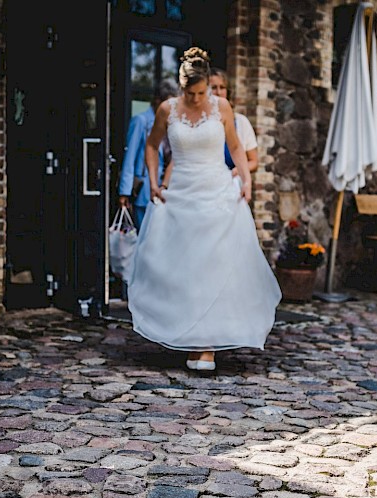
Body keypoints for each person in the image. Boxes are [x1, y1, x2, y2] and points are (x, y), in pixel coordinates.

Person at [127, 47, 281, 372]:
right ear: (180, 86)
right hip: (180, 192)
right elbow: (152, 146)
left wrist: (247, 183)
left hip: (217, 192)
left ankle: (207, 345)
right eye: (190, 92)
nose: (196, 99)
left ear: (208, 86)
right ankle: (189, 334)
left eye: (201, 92)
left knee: (214, 265)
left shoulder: (221, 107)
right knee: (185, 267)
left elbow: (236, 147)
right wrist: (154, 182)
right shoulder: (167, 110)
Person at [118, 79, 178, 230]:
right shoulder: (141, 121)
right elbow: (129, 157)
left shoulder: (171, 124)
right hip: (143, 192)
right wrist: (124, 192)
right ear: (158, 100)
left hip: (168, 190)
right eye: (168, 104)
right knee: (144, 236)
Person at [209, 68, 258, 176]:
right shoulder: (202, 121)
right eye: (213, 88)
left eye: (222, 87)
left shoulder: (241, 122)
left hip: (233, 182)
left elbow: (253, 161)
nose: (218, 92)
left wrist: (237, 171)